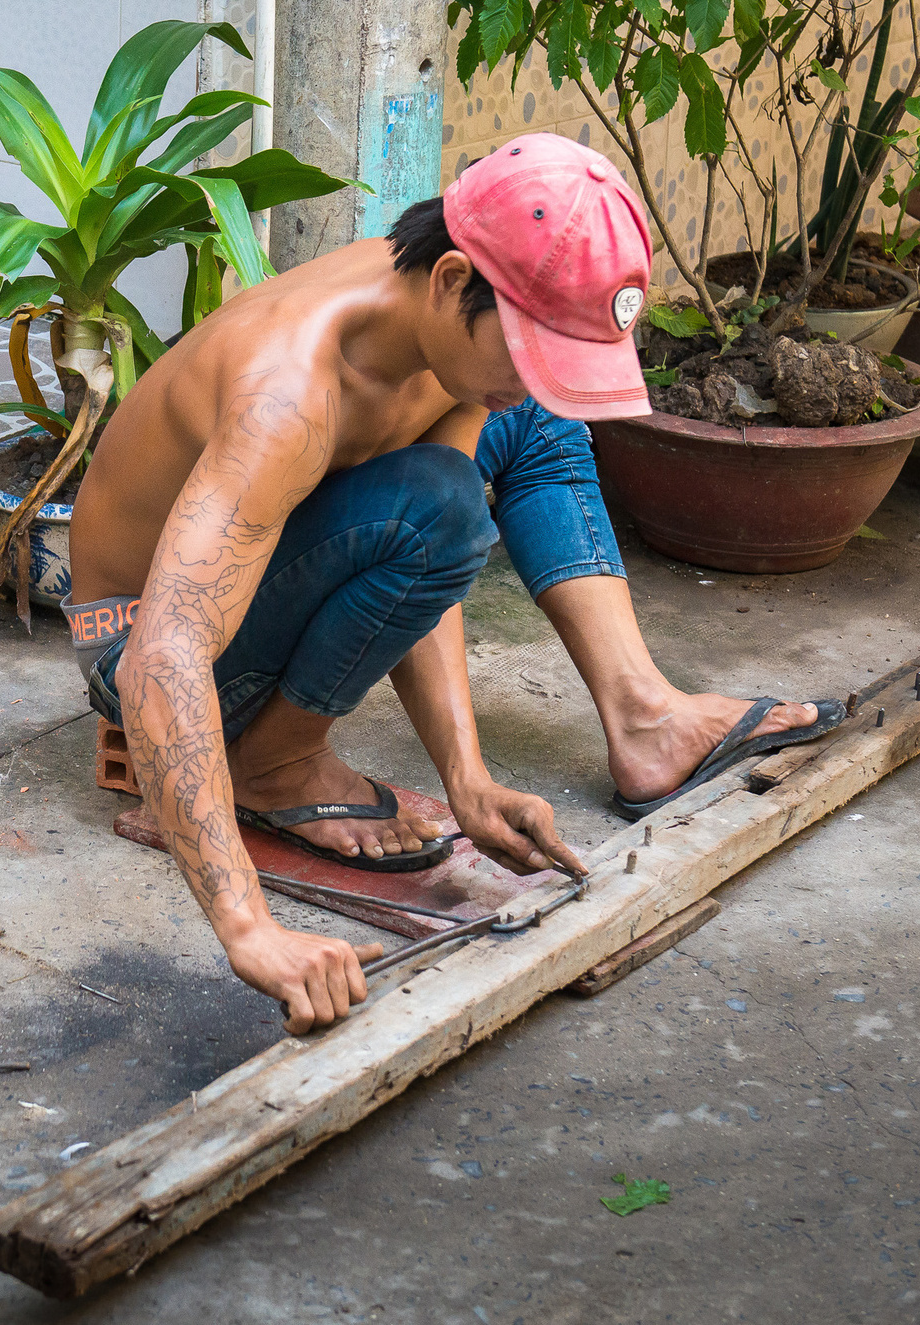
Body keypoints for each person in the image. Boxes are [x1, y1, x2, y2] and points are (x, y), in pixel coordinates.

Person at [65, 134, 842, 1032]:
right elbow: (163, 655)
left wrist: (465, 778)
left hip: (246, 593)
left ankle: (646, 718)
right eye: (528, 346)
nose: (530, 372)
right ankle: (271, 765)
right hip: (137, 640)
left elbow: (431, 567)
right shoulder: (288, 397)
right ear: (450, 280)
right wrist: (249, 925)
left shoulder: (441, 328)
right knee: (438, 504)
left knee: (530, 429)